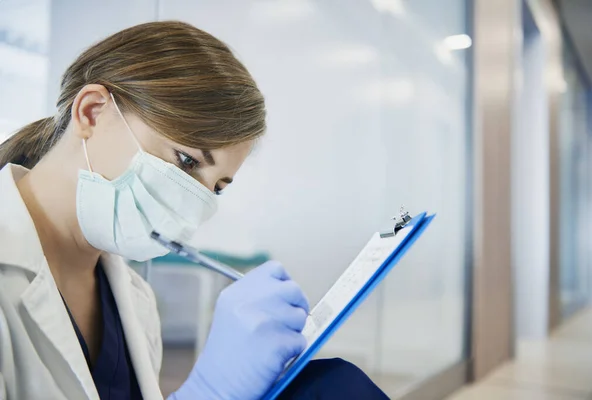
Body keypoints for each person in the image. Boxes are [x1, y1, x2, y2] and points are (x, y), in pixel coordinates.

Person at [0, 21, 389, 400]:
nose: (194, 205)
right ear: (92, 112)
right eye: (187, 161)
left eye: (216, 188)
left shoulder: (135, 299)